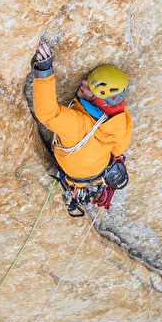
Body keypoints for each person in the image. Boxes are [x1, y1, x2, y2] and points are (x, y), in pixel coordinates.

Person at [30, 41, 133, 217]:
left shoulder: (77, 125)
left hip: (86, 175)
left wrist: (44, 71)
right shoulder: (121, 120)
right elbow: (119, 149)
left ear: (98, 101)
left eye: (89, 87)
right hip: (97, 174)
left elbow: (48, 113)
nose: (83, 83)